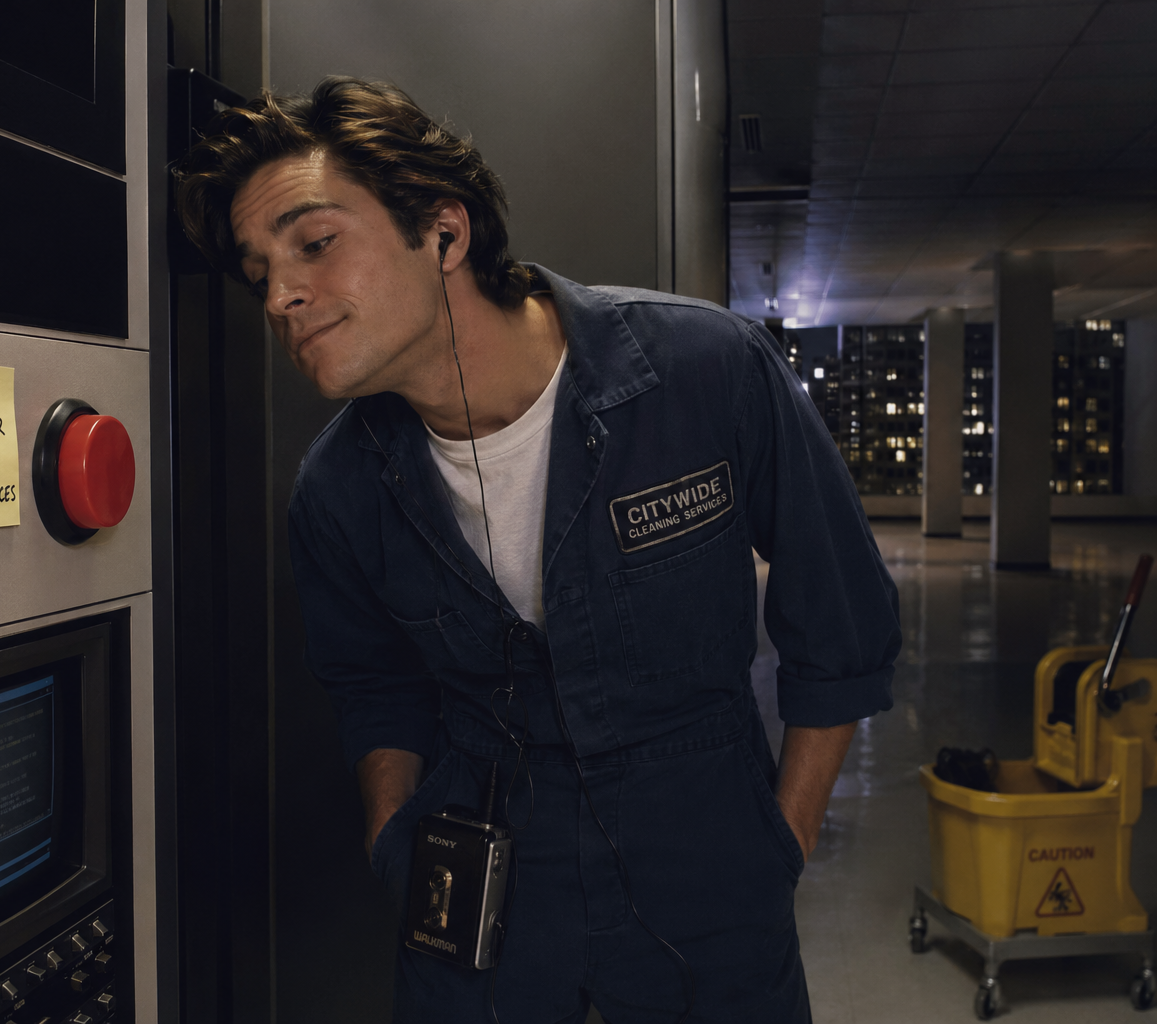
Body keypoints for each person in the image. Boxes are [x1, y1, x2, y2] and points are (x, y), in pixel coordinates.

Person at [175, 76, 900, 1024]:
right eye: (258, 268)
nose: (280, 294)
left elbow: (841, 629)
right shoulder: (340, 489)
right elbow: (372, 685)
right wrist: (396, 834)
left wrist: (778, 848)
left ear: (444, 233)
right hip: (481, 881)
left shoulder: (702, 370)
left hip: (704, 853)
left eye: (313, 244)